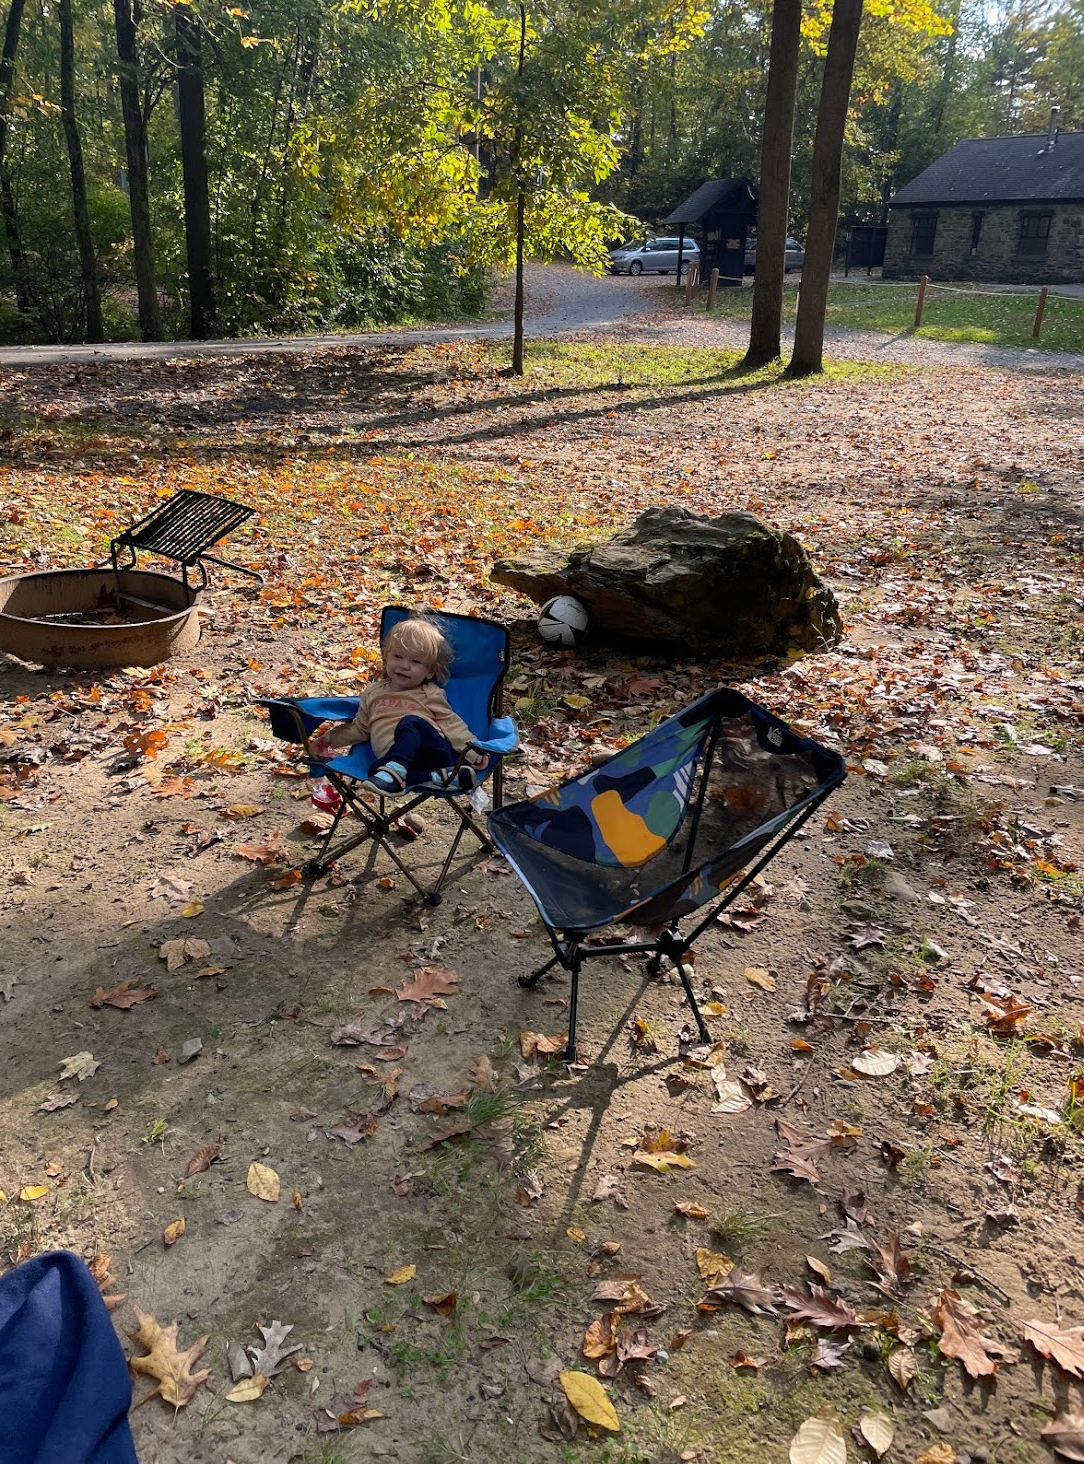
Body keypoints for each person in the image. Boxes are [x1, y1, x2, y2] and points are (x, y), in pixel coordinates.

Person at [310, 615, 486, 795]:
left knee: (411, 723)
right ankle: (440, 777)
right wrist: (330, 739)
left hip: (431, 751)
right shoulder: (373, 692)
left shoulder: (429, 692)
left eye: (415, 661)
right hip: (392, 760)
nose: (404, 666)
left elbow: (451, 723)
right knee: (375, 772)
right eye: (397, 656)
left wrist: (472, 751)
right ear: (387, 657)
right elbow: (361, 729)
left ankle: (395, 771)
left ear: (430, 671)